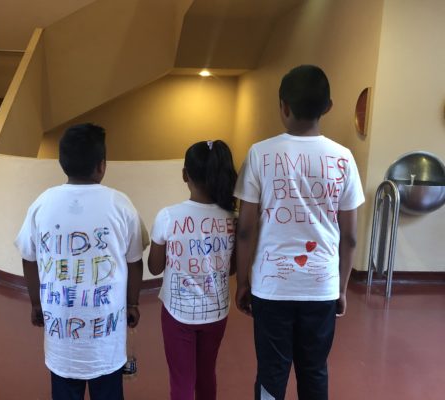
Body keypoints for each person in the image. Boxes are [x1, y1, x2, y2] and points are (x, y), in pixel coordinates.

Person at [234, 65, 365, 400]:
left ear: (283, 106)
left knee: (271, 373)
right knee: (314, 370)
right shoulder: (344, 158)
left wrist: (244, 282)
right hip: (321, 285)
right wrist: (342, 286)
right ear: (329, 106)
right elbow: (349, 236)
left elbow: (246, 229)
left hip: (271, 287)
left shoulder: (260, 153)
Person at [15, 123, 145, 400]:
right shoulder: (121, 204)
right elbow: (134, 262)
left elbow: (29, 258)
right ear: (102, 165)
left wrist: (36, 304)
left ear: (62, 163)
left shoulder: (42, 203)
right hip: (107, 343)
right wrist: (133, 303)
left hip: (61, 342)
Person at [148, 140, 238, 400]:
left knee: (182, 380)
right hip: (217, 312)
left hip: (178, 314)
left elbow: (155, 268)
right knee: (206, 374)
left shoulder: (168, 216)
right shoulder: (232, 218)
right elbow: (230, 270)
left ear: (185, 174)